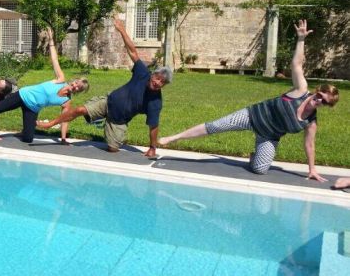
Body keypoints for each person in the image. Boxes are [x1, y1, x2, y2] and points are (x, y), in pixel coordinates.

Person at [159, 20, 339, 181]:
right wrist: (301, 40)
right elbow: (297, 65)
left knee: (260, 170)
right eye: (320, 96)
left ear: (327, 106)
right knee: (215, 126)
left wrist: (312, 169)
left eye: (324, 102)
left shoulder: (310, 122)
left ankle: (255, 156)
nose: (319, 100)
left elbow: (309, 144)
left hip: (269, 135)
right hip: (252, 116)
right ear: (318, 91)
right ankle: (174, 138)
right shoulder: (301, 90)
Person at [37, 14, 171, 156]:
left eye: (162, 82)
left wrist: (152, 147)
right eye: (157, 78)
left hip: (119, 120)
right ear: (153, 75)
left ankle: (106, 125)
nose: (157, 82)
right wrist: (121, 30)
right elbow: (132, 51)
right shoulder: (143, 73)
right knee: (80, 110)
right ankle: (50, 124)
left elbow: (153, 125)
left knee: (113, 149)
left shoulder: (155, 102)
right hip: (107, 102)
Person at [0, 26, 89, 143]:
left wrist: (63, 139)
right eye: (76, 83)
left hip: (32, 108)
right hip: (22, 95)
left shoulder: (66, 102)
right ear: (73, 81)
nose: (75, 86)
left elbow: (64, 119)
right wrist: (51, 41)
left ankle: (23, 131)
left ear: (78, 91)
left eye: (79, 88)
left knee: (28, 138)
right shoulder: (60, 79)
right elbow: (54, 60)